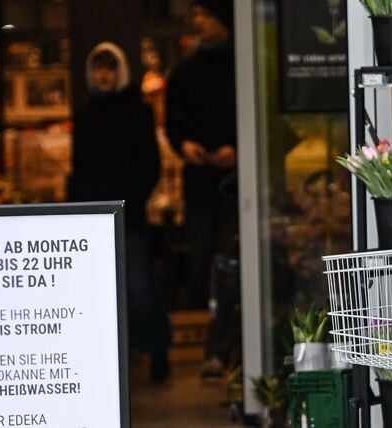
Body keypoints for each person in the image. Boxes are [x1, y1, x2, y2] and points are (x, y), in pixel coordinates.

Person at [69, 43, 169, 382]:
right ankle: (110, 361)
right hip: (92, 221)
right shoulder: (84, 117)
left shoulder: (137, 112)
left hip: (131, 217)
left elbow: (150, 164)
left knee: (139, 289)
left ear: (120, 71)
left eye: (110, 68)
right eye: (98, 68)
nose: (103, 75)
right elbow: (79, 168)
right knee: (98, 293)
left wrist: (131, 200)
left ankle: (157, 350)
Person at [165, 0, 238, 378]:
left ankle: (220, 349)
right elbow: (172, 120)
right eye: (195, 15)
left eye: (205, 14)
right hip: (198, 184)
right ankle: (220, 345)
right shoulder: (186, 69)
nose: (198, 21)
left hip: (236, 185)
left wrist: (239, 152)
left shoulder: (243, 66)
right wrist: (184, 146)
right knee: (201, 265)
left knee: (227, 266)